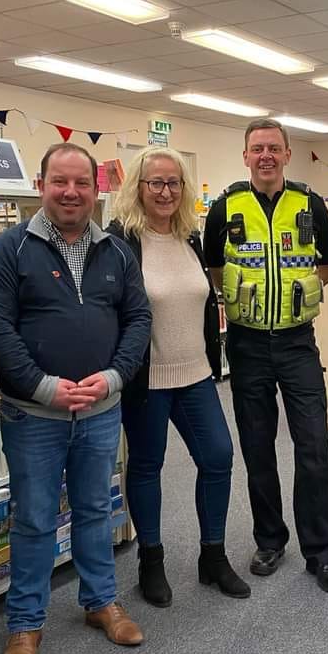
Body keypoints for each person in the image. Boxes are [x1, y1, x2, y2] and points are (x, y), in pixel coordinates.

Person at [0, 143, 152, 654]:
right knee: (32, 519)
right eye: (60, 181)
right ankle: (25, 624)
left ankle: (101, 603)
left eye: (81, 183)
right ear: (41, 184)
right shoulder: (9, 249)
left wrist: (117, 374)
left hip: (102, 410)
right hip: (35, 416)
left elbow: (138, 318)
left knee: (97, 507)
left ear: (96, 190)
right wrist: (42, 386)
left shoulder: (117, 251)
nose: (71, 192)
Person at [203, 118, 328, 594]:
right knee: (258, 449)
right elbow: (213, 266)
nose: (265, 155)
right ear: (246, 157)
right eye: (256, 148)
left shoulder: (310, 203)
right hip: (246, 345)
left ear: (288, 154)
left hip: (296, 342)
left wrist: (293, 295)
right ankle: (270, 540)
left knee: (314, 449)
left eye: (273, 148)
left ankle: (321, 552)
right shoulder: (225, 206)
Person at [105, 146, 249, 605]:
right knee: (147, 467)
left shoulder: (191, 236)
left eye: (173, 183)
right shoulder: (119, 241)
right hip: (147, 378)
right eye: (156, 183)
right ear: (138, 188)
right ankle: (151, 560)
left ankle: (213, 556)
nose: (165, 192)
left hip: (196, 373)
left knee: (218, 457)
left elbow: (204, 302)